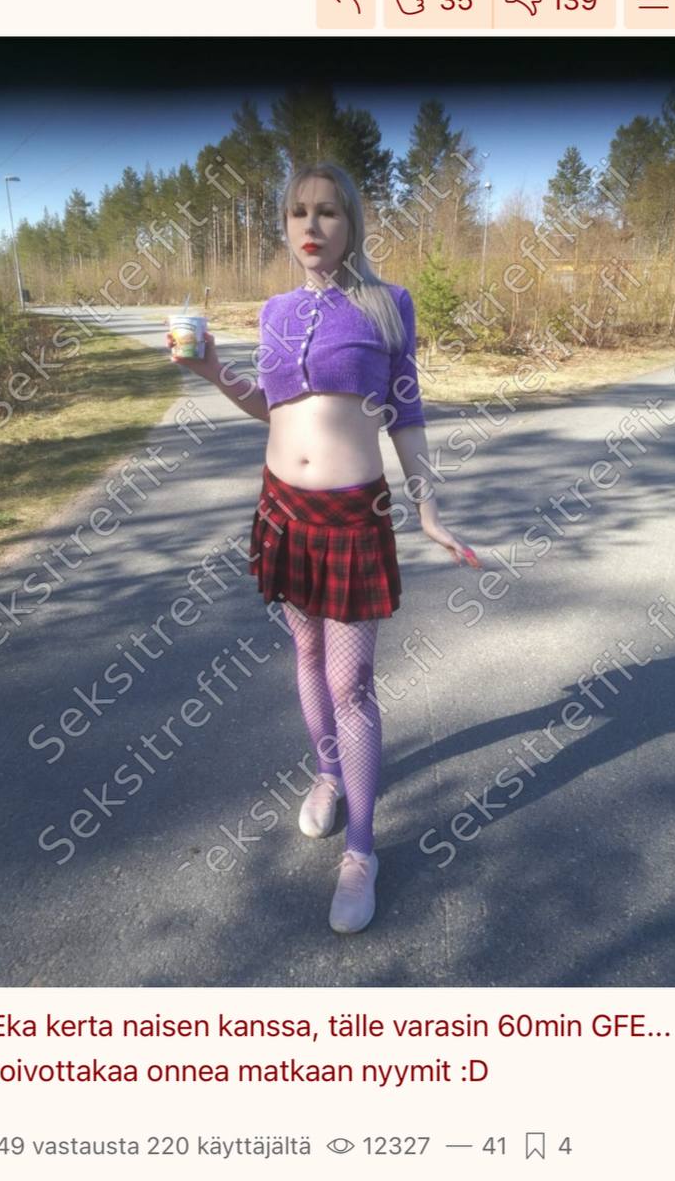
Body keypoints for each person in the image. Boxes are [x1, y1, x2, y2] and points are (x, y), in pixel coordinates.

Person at [167, 162, 476, 935]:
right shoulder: (272, 311)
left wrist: (428, 509)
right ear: (284, 225)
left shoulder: (386, 305)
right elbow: (270, 408)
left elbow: (406, 413)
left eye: (328, 211)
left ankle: (361, 852)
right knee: (305, 656)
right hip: (281, 509)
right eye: (298, 212)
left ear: (351, 224)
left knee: (352, 682)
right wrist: (213, 371)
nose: (311, 225)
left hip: (351, 514)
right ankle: (328, 775)